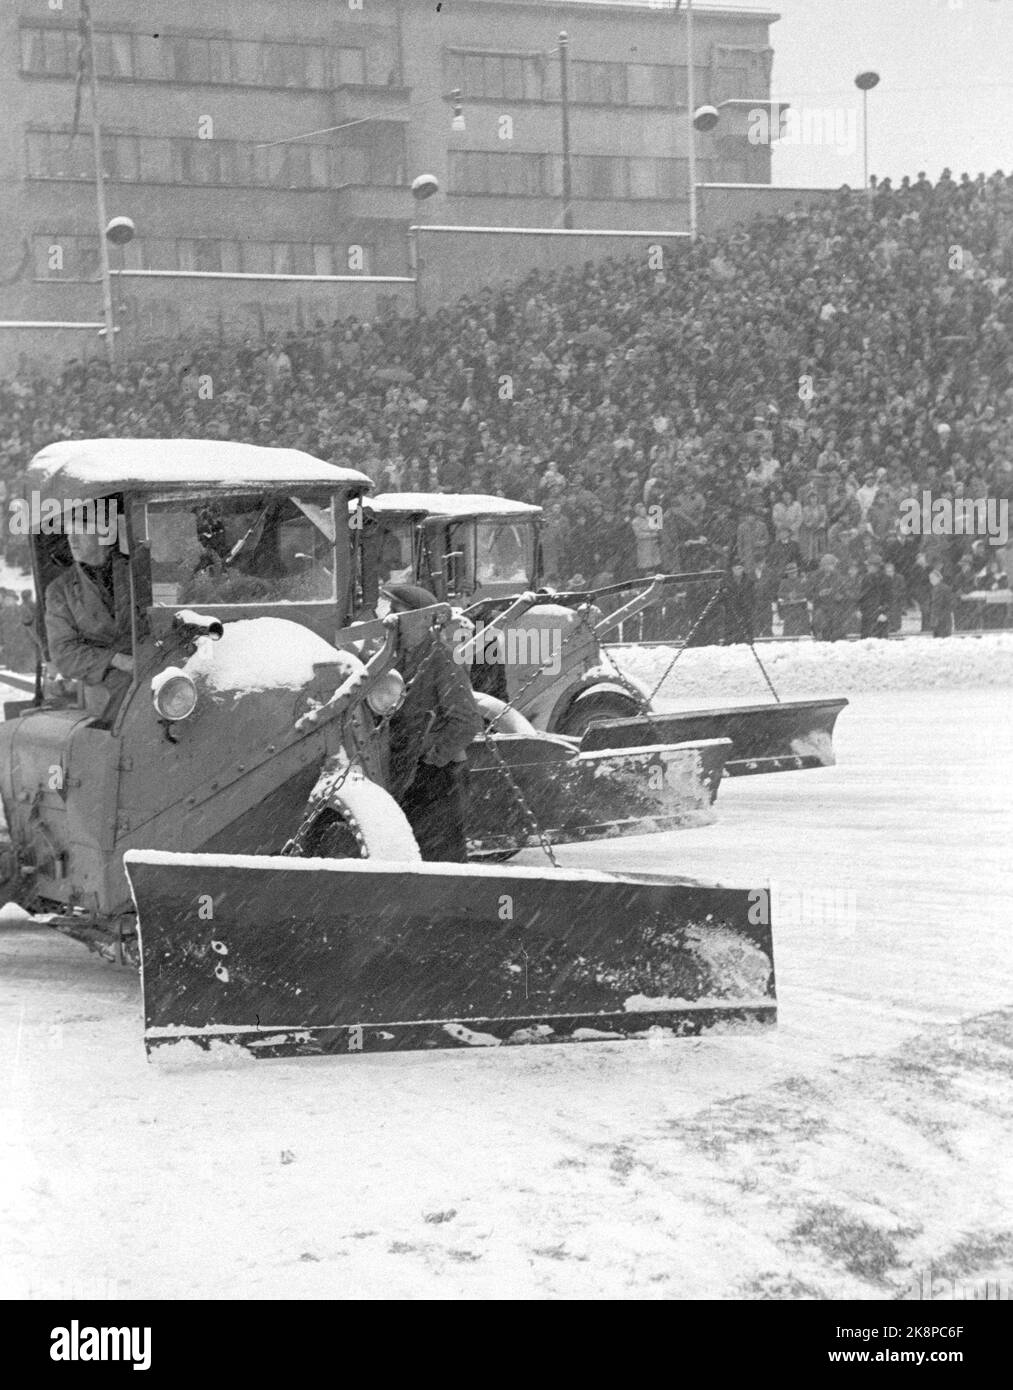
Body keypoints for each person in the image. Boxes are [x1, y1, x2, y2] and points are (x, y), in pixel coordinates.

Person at [382, 583, 484, 862]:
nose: (388, 619)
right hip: (408, 776)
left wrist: (431, 759)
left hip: (439, 780)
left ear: (420, 617)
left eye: (396, 611)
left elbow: (467, 721)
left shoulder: (441, 659)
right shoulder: (395, 658)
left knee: (442, 861)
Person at [44, 509, 134, 717]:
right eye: (68, 532)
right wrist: (115, 659)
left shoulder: (136, 572)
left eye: (80, 531)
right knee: (132, 691)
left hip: (149, 660)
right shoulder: (60, 590)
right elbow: (64, 654)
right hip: (107, 674)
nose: (72, 539)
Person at [928, 567, 955, 638]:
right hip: (939, 618)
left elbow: (949, 603)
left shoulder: (942, 588)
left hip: (942, 619)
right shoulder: (935, 589)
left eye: (933, 578)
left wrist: (941, 613)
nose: (931, 580)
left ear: (938, 578)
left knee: (942, 638)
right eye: (930, 579)